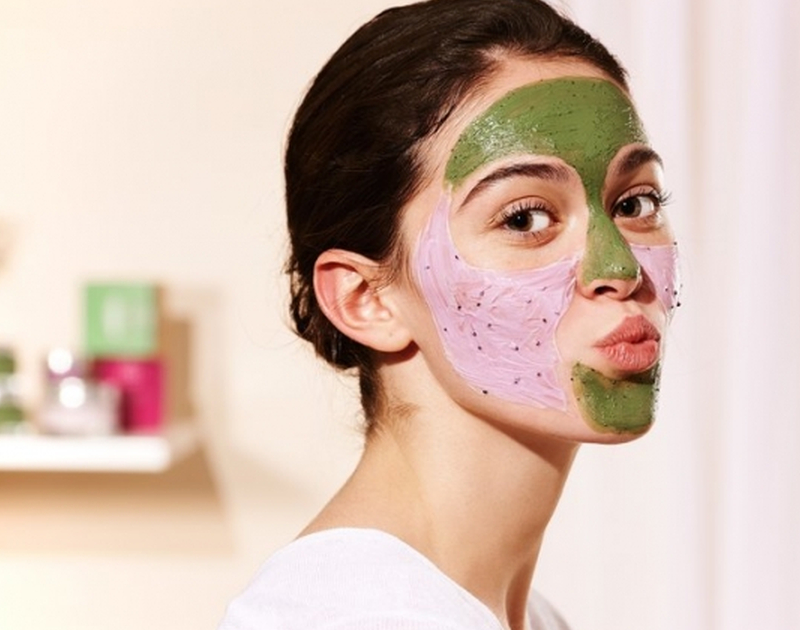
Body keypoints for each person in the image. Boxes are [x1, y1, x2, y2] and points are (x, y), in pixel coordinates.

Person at [219, 0, 679, 628]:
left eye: (635, 203)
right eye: (525, 217)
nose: (619, 267)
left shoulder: (515, 614)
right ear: (365, 298)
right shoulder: (356, 618)